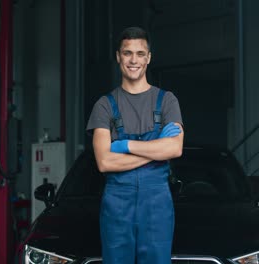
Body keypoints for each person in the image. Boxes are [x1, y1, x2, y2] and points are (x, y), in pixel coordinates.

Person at [86, 26, 184, 264]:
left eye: (140, 54)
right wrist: (156, 150)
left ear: (149, 58)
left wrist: (124, 145)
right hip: (117, 202)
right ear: (118, 57)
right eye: (127, 53)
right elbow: (105, 161)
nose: (134, 60)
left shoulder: (167, 101)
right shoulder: (104, 105)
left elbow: (175, 149)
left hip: (157, 202)